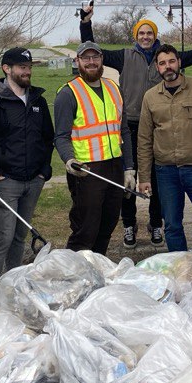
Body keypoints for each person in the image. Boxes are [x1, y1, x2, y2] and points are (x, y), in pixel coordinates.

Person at [79, 4, 192, 248]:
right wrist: (85, 23)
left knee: (157, 180)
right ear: (136, 36)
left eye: (149, 33)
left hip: (159, 127)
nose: (145, 37)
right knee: (129, 179)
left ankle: (155, 223)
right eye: (141, 33)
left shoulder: (165, 59)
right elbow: (93, 51)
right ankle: (129, 224)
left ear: (155, 36)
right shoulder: (124, 56)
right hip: (131, 126)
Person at [136, 44, 192, 254]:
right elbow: (144, 139)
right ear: (157, 68)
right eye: (162, 63)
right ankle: (182, 267)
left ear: (179, 62)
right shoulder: (150, 97)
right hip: (165, 171)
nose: (168, 67)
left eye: (171, 61)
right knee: (173, 226)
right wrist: (144, 177)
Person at [0, 47, 54, 283]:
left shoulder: (38, 101)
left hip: (33, 180)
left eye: (29, 67)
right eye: (22, 67)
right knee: (3, 237)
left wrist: (44, 171)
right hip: (5, 182)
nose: (27, 72)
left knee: (20, 236)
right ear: (7, 69)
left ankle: (13, 286)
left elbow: (46, 137)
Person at [53, 40, 133, 255]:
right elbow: (61, 136)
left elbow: (123, 130)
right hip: (86, 171)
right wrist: (70, 160)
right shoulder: (68, 93)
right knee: (85, 230)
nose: (91, 62)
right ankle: (75, 275)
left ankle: (96, 268)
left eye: (95, 57)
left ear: (101, 60)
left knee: (108, 225)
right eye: (85, 58)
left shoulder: (114, 88)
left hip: (114, 167)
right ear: (77, 61)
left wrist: (129, 168)